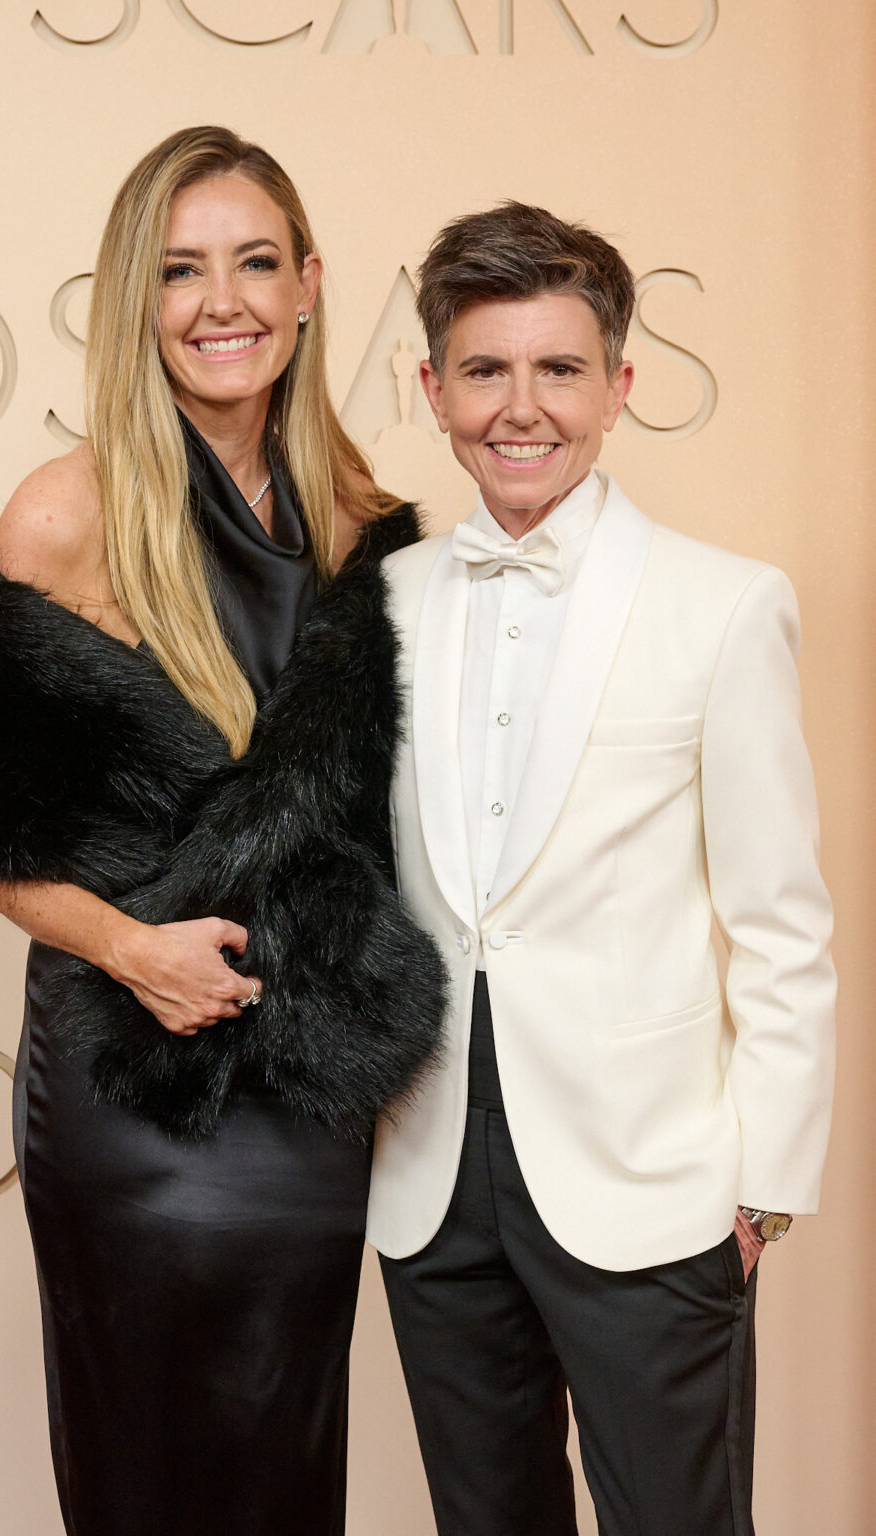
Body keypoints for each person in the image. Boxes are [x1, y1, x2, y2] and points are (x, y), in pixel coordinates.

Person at [0, 127, 445, 1536]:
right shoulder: (63, 515)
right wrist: (138, 951)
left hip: (307, 1094)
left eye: (256, 262)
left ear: (311, 285)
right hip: (132, 1083)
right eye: (182, 270)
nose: (223, 302)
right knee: (146, 1471)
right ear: (137, 299)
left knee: (285, 1464)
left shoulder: (367, 523)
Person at [367, 202, 836, 1536]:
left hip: (655, 1184)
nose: (524, 408)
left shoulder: (725, 603)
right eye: (487, 369)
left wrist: (763, 1191)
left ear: (620, 385)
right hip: (431, 1183)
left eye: (561, 369)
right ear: (434, 388)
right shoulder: (385, 607)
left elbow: (782, 923)